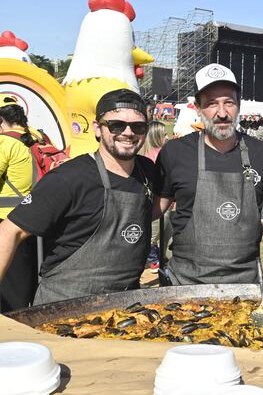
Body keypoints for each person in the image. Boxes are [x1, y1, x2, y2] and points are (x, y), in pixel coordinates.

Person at [0, 89, 159, 305]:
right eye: (116, 125)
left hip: (124, 306)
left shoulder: (147, 171)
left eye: (138, 126)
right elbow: (10, 231)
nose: (128, 132)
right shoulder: (70, 178)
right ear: (97, 129)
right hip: (65, 306)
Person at [157, 63, 263, 285]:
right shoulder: (175, 152)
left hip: (247, 286)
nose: (222, 113)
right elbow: (154, 207)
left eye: (229, 103)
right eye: (212, 104)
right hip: (185, 286)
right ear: (197, 107)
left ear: (239, 106)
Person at [0, 94, 36, 311]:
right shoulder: (39, 138)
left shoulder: (5, 142)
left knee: (8, 292)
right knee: (27, 282)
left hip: (7, 222)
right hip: (36, 221)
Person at [141, 121, 167, 271]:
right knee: (155, 233)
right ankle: (152, 259)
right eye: (164, 135)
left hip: (152, 202)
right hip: (159, 202)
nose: (167, 137)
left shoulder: (144, 154)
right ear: (156, 136)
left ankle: (153, 257)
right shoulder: (158, 154)